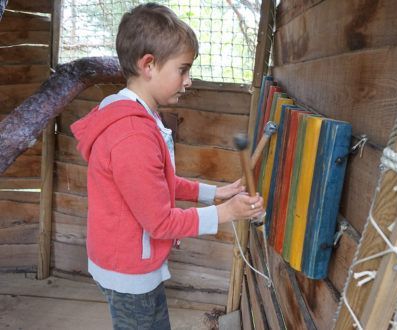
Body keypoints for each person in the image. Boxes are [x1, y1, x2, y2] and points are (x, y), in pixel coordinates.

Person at [70, 3, 264, 329]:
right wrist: (226, 213)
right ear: (148, 65)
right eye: (183, 70)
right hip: (128, 271)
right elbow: (159, 222)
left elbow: (160, 182)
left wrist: (215, 193)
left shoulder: (141, 116)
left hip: (134, 264)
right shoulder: (132, 135)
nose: (188, 81)